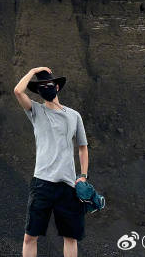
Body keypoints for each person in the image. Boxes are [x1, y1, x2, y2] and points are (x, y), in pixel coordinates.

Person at [13, 66, 89, 257]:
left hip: (68, 185)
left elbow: (82, 147)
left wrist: (83, 176)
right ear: (38, 91)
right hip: (42, 184)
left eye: (48, 84)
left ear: (56, 87)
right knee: (30, 237)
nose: (45, 88)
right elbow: (17, 91)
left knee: (70, 237)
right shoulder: (35, 111)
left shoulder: (74, 115)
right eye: (41, 86)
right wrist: (33, 71)